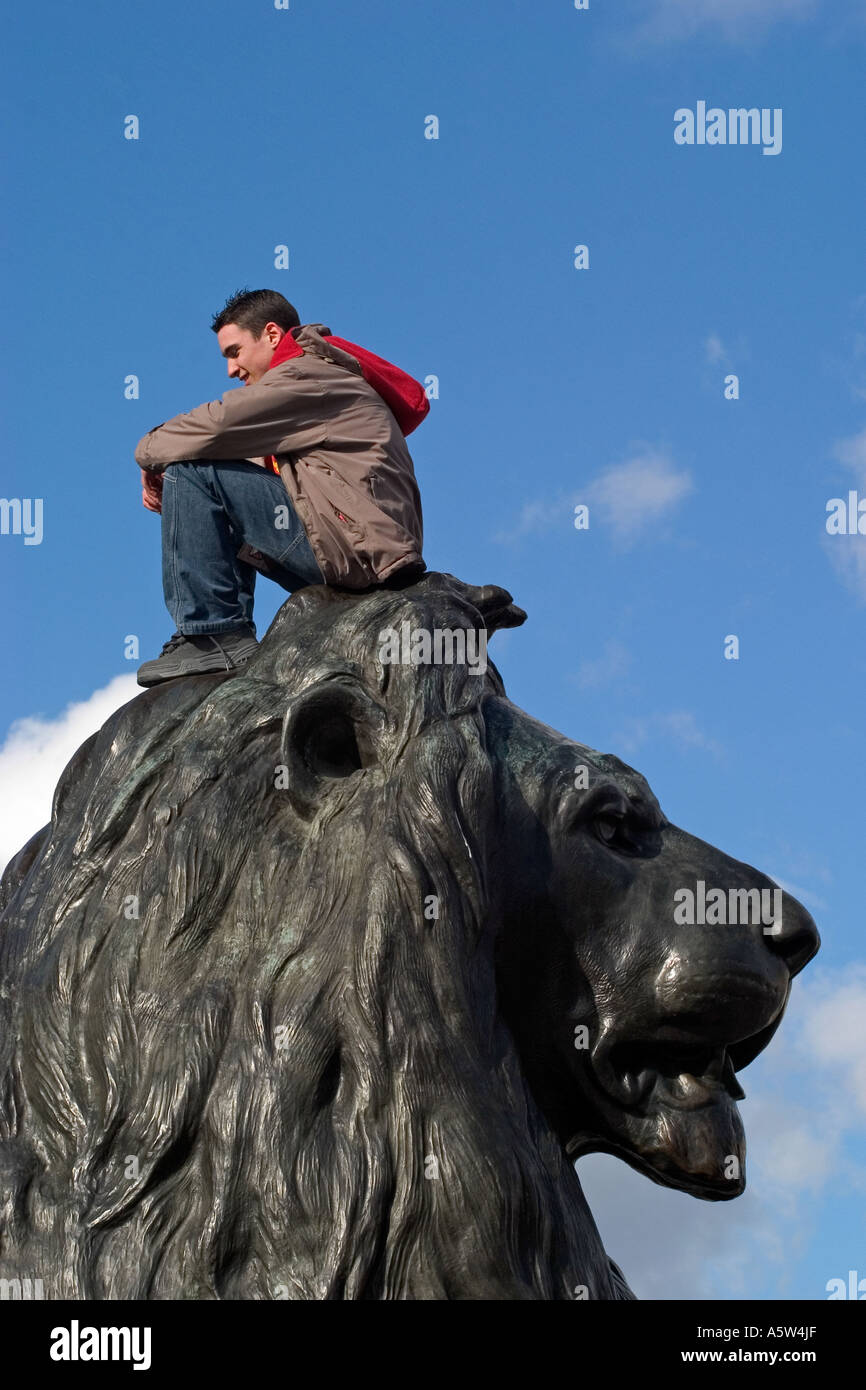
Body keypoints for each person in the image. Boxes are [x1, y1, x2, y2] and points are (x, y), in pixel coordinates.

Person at [135, 288, 429, 687]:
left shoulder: (308, 376)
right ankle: (227, 630)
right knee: (204, 481)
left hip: (352, 551)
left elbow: (219, 425)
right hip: (351, 542)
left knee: (193, 470)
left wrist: (149, 451)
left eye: (234, 351)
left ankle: (213, 633)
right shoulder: (312, 383)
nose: (231, 369)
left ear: (272, 335)